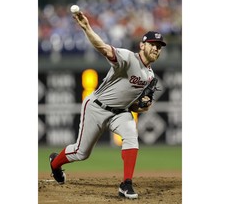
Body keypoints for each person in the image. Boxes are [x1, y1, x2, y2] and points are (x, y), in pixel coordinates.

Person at [49, 11, 166, 199]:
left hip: (120, 113)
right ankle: (55, 163)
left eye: (159, 47)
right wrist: (87, 28)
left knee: (131, 135)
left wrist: (142, 106)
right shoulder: (128, 58)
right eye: (153, 44)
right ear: (142, 45)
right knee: (81, 153)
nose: (156, 49)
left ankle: (126, 184)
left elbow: (135, 106)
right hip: (96, 107)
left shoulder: (150, 76)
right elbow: (103, 48)